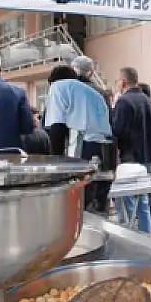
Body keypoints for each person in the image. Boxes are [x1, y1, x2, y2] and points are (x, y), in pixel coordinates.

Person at [44, 66, 113, 212]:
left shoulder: (58, 87)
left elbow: (57, 128)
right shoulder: (95, 93)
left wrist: (55, 164)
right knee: (97, 206)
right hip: (106, 151)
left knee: (76, 205)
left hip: (82, 148)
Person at [111, 67, 151, 234]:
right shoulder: (148, 102)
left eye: (118, 80)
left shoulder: (124, 102)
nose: (117, 83)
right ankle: (147, 237)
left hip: (130, 160)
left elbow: (117, 131)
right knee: (144, 202)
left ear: (123, 82)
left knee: (129, 204)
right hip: (148, 159)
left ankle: (132, 237)